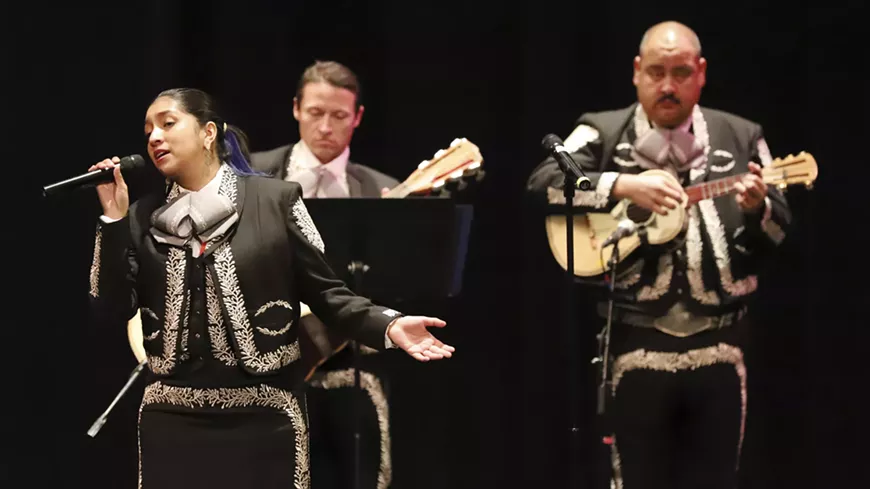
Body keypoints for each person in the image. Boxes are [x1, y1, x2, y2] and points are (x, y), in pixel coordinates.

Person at [87, 87, 454, 489]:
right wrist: (113, 220)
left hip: (264, 418)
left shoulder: (275, 201)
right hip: (170, 419)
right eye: (148, 131)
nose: (155, 137)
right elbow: (111, 308)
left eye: (168, 124)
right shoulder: (141, 215)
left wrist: (389, 324)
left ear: (208, 132)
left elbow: (327, 294)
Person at [526, 21, 791, 489]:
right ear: (636, 71)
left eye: (681, 72)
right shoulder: (602, 130)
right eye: (656, 72)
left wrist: (757, 209)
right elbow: (544, 182)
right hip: (634, 345)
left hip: (722, 349)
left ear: (701, 72)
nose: (668, 86)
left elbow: (778, 228)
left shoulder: (741, 134)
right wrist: (621, 185)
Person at [250, 60, 401, 489]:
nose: (325, 127)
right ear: (296, 108)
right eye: (315, 112)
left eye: (339, 115)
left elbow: (400, 285)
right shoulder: (251, 175)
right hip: (263, 365)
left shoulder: (383, 190)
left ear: (358, 117)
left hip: (350, 373)